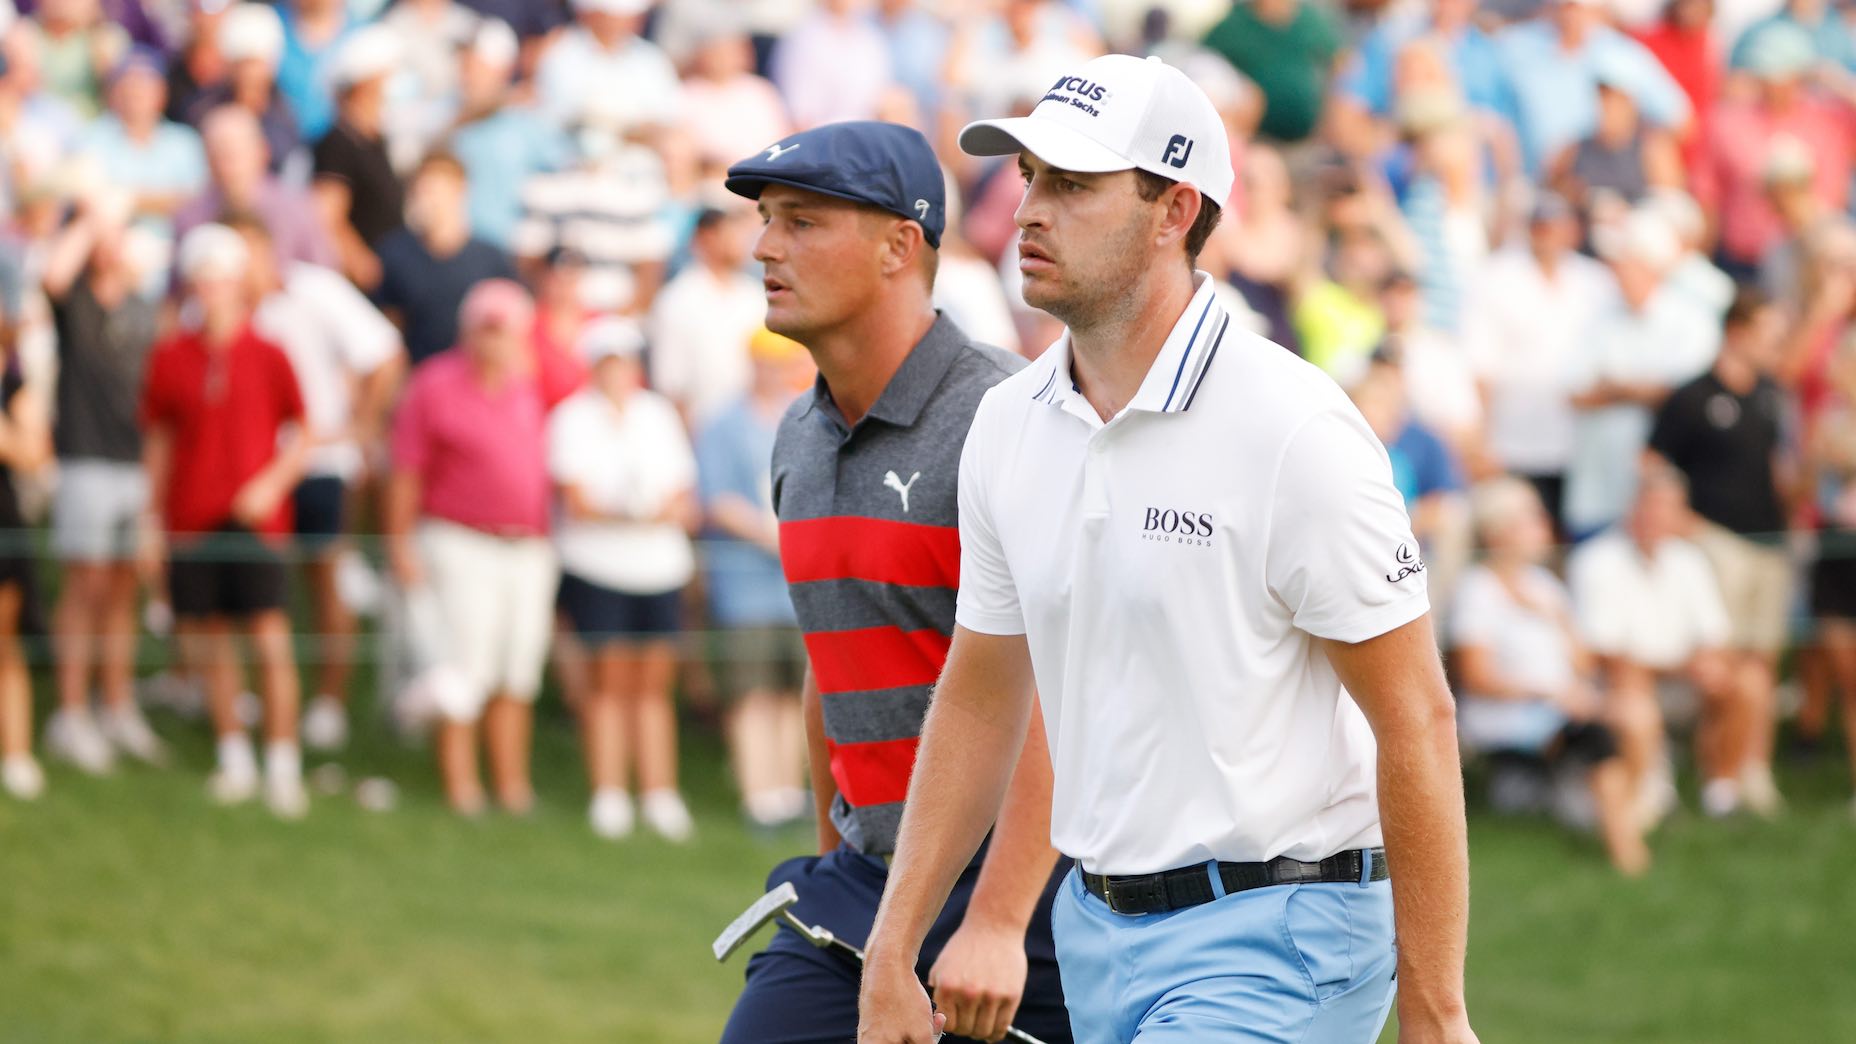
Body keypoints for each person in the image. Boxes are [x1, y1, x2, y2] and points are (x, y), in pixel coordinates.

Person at [861, 55, 1475, 1043]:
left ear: (1172, 210)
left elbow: (1416, 717)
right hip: (1094, 933)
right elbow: (980, 698)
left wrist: (1436, 1012)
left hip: (1284, 937)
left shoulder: (1292, 429)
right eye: (1026, 177)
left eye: (1070, 183)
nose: (1027, 211)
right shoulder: (1007, 424)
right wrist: (895, 950)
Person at [716, 120, 1073, 1044]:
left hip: (1024, 897)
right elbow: (826, 667)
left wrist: (996, 921)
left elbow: (1057, 694)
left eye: (800, 221)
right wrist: (837, 863)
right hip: (869, 882)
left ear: (896, 247)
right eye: (766, 220)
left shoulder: (1010, 418)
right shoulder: (797, 435)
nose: (763, 246)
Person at [139, 223, 310, 819]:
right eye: (203, 278)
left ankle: (283, 765)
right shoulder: (170, 357)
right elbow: (160, 441)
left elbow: (303, 435)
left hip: (256, 524)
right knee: (212, 644)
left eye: (222, 277)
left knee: (269, 641)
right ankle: (234, 757)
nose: (211, 289)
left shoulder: (270, 353)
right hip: (192, 518)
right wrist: (150, 519)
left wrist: (270, 484)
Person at [386, 279, 559, 815]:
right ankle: (462, 789)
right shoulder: (434, 383)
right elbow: (406, 471)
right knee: (461, 672)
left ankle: (512, 787)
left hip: (528, 547)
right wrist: (398, 543)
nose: (495, 340)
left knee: (516, 670)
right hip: (458, 540)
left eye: (504, 330)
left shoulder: (534, 386)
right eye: (486, 328)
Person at [231, 213, 402, 753]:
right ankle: (258, 696)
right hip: (254, 471)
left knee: (324, 574)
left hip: (322, 462)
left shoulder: (316, 290)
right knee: (256, 585)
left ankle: (328, 702)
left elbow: (383, 351)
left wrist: (363, 425)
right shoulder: (220, 308)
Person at [547, 317, 699, 841]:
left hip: (659, 569)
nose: (620, 371)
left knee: (654, 685)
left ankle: (659, 793)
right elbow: (578, 501)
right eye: (610, 362)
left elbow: (681, 496)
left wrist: (642, 512)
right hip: (599, 569)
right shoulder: (571, 418)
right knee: (608, 683)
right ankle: (609, 792)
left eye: (627, 361)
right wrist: (639, 512)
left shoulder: (656, 415)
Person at [1453, 478, 1652, 875]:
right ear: (1498, 533)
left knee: (1637, 710)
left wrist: (1556, 619)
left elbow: (1583, 665)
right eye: (1530, 519)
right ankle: (1625, 849)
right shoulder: (1476, 591)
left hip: (1561, 704)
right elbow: (1475, 677)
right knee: (1601, 737)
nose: (1542, 526)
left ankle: (1622, 816)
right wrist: (1547, 693)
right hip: (1511, 717)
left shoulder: (1545, 588)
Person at [1648, 287, 1795, 817]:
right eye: (1767, 334)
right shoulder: (1691, 397)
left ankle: (1754, 768)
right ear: (1737, 332)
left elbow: (1775, 467)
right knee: (1725, 663)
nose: (1775, 345)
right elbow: (1654, 464)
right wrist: (1687, 525)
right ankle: (1719, 774)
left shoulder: (1770, 394)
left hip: (1769, 543)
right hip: (1718, 542)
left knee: (1763, 661)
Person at [39, 189, 165, 773]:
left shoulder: (142, 305)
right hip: (85, 461)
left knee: (121, 590)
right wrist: (91, 219)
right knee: (83, 588)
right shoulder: (77, 303)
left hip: (134, 464)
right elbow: (54, 274)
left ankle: (115, 704)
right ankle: (71, 712)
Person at [1568, 463, 1735, 829]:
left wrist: (1707, 664)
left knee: (1740, 681)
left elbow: (1714, 633)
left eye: (1667, 508)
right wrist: (1682, 666)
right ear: (1633, 507)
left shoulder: (1689, 560)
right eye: (1651, 505)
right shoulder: (1595, 560)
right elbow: (1604, 654)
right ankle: (1651, 792)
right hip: (1619, 683)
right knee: (1632, 682)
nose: (1657, 516)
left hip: (1677, 676)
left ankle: (1722, 789)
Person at [696, 326, 814, 830]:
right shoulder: (722, 423)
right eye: (766, 361)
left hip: (798, 585)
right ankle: (757, 794)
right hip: (746, 582)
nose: (774, 371)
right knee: (752, 692)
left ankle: (788, 792)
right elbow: (717, 500)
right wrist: (771, 534)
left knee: (794, 691)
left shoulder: (804, 415)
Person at [1463, 193, 1616, 533]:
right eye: (1541, 226)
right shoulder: (1497, 276)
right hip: (1514, 440)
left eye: (1556, 226)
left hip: (1581, 441)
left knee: (1572, 537)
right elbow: (1481, 365)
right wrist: (1483, 439)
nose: (1548, 235)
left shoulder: (1596, 282)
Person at [1563, 207, 1718, 539]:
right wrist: (1643, 391)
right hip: (1598, 490)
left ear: (1651, 265)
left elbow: (1686, 397)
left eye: (1627, 261)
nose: (1617, 271)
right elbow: (1576, 394)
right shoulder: (1598, 317)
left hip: (1661, 501)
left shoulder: (1691, 320)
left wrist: (1616, 389)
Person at [372, 150, 517, 365]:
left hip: (475, 383)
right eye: (419, 191)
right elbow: (386, 330)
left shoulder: (491, 258)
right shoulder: (394, 253)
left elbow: (511, 327)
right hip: (418, 379)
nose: (426, 200)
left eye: (434, 191)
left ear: (460, 190)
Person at [174, 104, 333, 270]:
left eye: (234, 155)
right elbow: (177, 288)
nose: (225, 166)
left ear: (263, 152)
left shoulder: (297, 208)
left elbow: (323, 274)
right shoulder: (189, 217)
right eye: (216, 155)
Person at [0, 261, 49, 801]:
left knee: (3, 646)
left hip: (2, 522)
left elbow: (33, 453)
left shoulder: (14, 379)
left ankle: (15, 754)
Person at [647, 203, 763, 428]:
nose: (742, 242)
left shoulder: (754, 295)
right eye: (731, 233)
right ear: (707, 237)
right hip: (701, 428)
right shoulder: (677, 300)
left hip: (753, 430)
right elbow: (671, 386)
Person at [310, 24, 404, 292]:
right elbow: (326, 216)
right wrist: (360, 263)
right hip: (361, 284)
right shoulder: (337, 142)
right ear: (366, 84)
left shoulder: (376, 140)